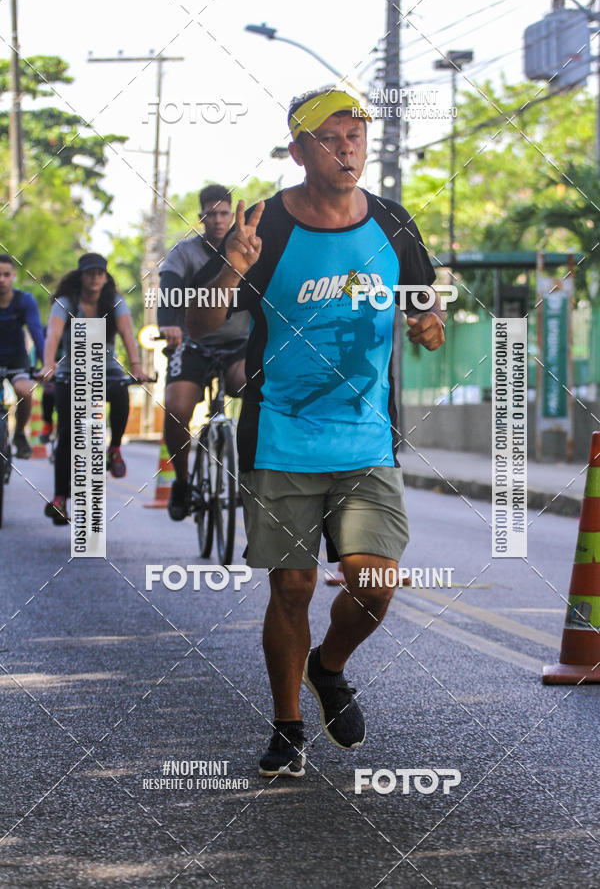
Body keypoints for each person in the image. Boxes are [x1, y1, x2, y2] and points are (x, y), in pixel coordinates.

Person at [187, 87, 445, 778]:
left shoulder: (393, 222)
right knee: (294, 586)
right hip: (281, 433)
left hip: (365, 437)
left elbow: (425, 305)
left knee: (375, 583)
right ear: (298, 149)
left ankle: (329, 668)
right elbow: (201, 325)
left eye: (356, 136)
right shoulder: (264, 224)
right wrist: (233, 266)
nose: (347, 149)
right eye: (331, 138)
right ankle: (288, 726)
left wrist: (429, 325)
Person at [158, 184, 250, 521]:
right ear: (201, 218)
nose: (218, 220)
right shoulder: (183, 254)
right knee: (176, 408)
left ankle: (254, 473)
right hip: (191, 343)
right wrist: (168, 325)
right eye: (211, 214)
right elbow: (168, 292)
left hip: (237, 345)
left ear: (232, 216)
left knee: (258, 389)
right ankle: (183, 482)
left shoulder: (246, 249)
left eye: (224, 213)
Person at [42, 253, 148, 525]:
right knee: (66, 433)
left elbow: (127, 333)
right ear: (81, 276)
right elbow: (53, 335)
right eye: (90, 273)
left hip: (107, 370)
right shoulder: (67, 303)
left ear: (105, 276)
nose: (95, 278)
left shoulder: (115, 302)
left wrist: (136, 366)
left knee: (121, 392)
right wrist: (48, 365)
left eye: (100, 273)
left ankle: (114, 448)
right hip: (70, 373)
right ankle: (60, 498)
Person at [0, 254, 45, 458]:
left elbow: (36, 332)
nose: (2, 279)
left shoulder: (24, 301)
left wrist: (46, 364)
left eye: (6, 274)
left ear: (14, 276)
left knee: (25, 391)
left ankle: (19, 434)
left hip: (17, 359)